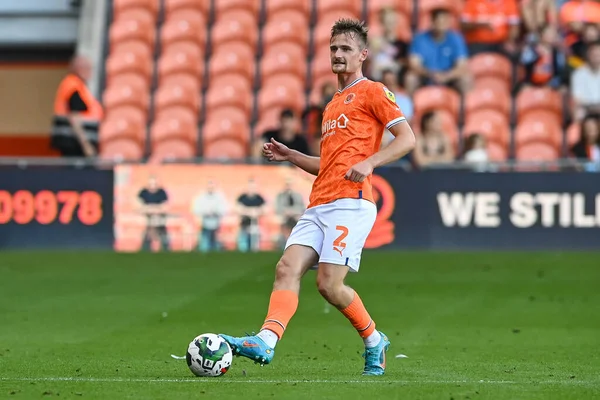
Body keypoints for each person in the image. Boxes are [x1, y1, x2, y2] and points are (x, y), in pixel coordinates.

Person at [219, 19, 416, 376]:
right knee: (285, 268)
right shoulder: (332, 105)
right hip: (320, 202)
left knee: (328, 284)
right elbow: (329, 163)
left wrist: (370, 162)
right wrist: (292, 155)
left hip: (352, 202)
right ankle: (266, 340)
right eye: (334, 49)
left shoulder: (373, 91)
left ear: (363, 55)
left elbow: (406, 138)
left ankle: (375, 340)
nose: (338, 55)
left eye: (346, 49)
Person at [51, 56, 102, 157]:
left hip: (75, 143)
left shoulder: (79, 86)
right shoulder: (73, 86)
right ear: (79, 69)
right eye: (87, 68)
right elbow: (74, 117)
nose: (90, 72)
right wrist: (86, 145)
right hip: (74, 144)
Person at [191, 180, 227, 252]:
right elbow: (195, 209)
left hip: (216, 226)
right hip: (205, 226)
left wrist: (215, 211)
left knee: (216, 249)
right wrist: (205, 212)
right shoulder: (201, 197)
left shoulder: (220, 197)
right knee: (204, 249)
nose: (211, 188)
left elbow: (224, 210)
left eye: (212, 186)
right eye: (209, 186)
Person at [138, 175, 170, 251]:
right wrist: (153, 209)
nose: (153, 186)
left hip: (160, 219)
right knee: (148, 232)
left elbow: (165, 207)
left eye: (155, 183)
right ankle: (145, 248)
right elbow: (138, 206)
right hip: (146, 220)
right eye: (151, 184)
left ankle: (165, 249)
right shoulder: (143, 192)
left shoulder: (162, 192)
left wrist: (151, 209)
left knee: (163, 233)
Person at [236, 178, 266, 252]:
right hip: (244, 226)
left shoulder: (259, 198)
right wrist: (249, 212)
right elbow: (237, 208)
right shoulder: (242, 197)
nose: (252, 189)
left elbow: (265, 209)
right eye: (250, 187)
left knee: (255, 248)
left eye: (253, 187)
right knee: (243, 248)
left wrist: (257, 212)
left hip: (256, 226)